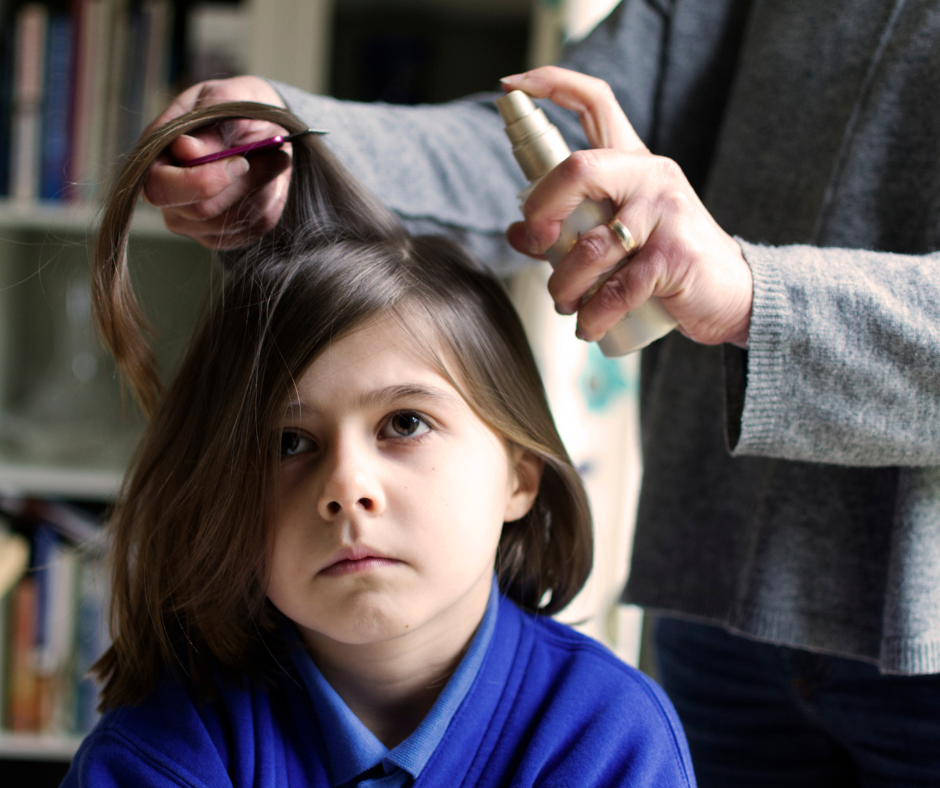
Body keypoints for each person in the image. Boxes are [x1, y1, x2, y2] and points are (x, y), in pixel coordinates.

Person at [61, 102, 696, 787]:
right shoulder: (167, 746)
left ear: (520, 474)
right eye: (289, 442)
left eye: (405, 424)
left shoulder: (608, 735)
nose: (346, 488)